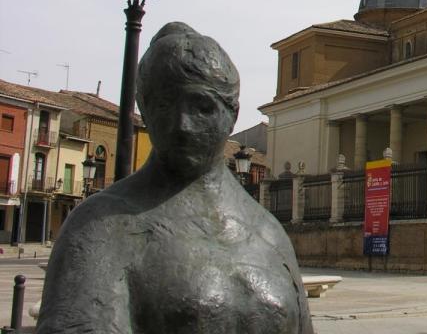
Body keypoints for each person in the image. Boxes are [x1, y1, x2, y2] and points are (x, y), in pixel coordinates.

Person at [37, 22, 313, 333]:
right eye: (165, 105)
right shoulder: (99, 226)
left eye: (202, 107)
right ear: (144, 109)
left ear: (233, 115)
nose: (183, 124)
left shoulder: (270, 233)